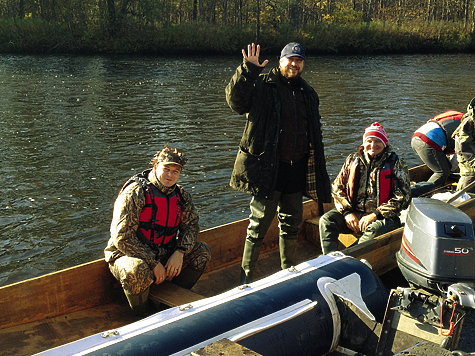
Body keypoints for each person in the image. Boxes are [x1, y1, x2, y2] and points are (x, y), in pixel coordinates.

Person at [225, 42, 331, 284]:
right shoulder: (262, 84)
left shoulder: (308, 93)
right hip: (267, 169)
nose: (294, 64)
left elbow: (314, 133)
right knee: (258, 225)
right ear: (281, 61)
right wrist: (247, 70)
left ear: (303, 64)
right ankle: (246, 279)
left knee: (292, 223)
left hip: (297, 170)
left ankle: (288, 273)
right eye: (290, 59)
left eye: (299, 60)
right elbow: (235, 102)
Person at [104, 145, 211, 316]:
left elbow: (191, 226)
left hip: (164, 252)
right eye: (166, 169)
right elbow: (122, 238)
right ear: (155, 168)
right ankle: (143, 315)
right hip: (128, 254)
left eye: (175, 171)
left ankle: (169, 306)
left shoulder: (181, 195)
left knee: (202, 252)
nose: (170, 175)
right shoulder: (135, 193)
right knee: (136, 270)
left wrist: (180, 252)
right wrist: (153, 262)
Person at [319, 123, 411, 254]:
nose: (373, 145)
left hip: (382, 217)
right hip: (354, 213)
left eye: (378, 141)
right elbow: (337, 187)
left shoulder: (396, 163)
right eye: (369, 141)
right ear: (364, 142)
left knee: (375, 230)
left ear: (384, 143)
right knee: (326, 220)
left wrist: (375, 214)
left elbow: (403, 197)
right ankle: (328, 257)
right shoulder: (352, 159)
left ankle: (346, 257)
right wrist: (347, 212)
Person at [411, 110, 463, 189]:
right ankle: (418, 193)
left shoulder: (459, 116)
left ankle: (437, 186)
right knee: (442, 172)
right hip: (429, 141)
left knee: (443, 167)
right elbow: (459, 152)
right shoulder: (468, 126)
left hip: (417, 137)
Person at [453, 97, 475, 193]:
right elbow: (465, 145)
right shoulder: (469, 122)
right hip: (465, 152)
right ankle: (462, 197)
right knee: (469, 174)